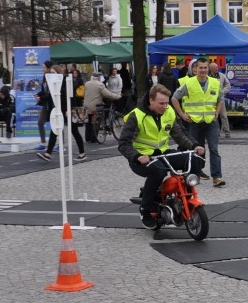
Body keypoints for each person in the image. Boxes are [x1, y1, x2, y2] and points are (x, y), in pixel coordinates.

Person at [118, 84, 205, 228]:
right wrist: (137, 156)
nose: (165, 106)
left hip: (163, 153)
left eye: (166, 103)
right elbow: (123, 144)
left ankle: (186, 198)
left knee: (194, 160)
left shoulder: (169, 111)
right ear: (151, 101)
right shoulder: (136, 116)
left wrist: (195, 146)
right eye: (161, 103)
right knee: (158, 171)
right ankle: (145, 210)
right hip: (142, 158)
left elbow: (179, 134)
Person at [172, 57, 226, 187]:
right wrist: (181, 114)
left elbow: (220, 99)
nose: (203, 70)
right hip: (194, 122)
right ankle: (195, 175)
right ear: (195, 69)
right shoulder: (189, 83)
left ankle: (217, 177)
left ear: (208, 68)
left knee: (214, 149)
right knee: (196, 149)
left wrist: (217, 113)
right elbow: (174, 98)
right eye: (200, 68)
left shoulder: (215, 82)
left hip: (210, 122)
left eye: (205, 67)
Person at [36, 65, 87, 162]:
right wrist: (41, 97)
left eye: (53, 72)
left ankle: (82, 152)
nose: (51, 74)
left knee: (74, 131)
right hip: (59, 109)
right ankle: (48, 153)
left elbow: (70, 96)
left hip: (67, 109)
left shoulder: (65, 80)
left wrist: (69, 109)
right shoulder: (53, 83)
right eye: (50, 73)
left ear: (58, 73)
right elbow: (52, 96)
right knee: (54, 130)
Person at [83, 73, 121, 142]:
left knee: (88, 122)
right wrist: (118, 96)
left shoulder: (87, 84)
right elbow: (108, 94)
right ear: (99, 78)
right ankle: (94, 138)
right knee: (96, 121)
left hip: (86, 106)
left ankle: (87, 138)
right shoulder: (100, 85)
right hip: (95, 106)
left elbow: (85, 94)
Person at [209, 61, 232, 139]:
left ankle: (227, 132)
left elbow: (228, 85)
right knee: (213, 116)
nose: (217, 68)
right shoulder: (207, 77)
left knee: (223, 115)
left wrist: (222, 92)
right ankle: (216, 132)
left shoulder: (222, 76)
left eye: (217, 67)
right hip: (210, 99)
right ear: (210, 68)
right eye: (215, 67)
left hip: (220, 99)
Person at [35, 60, 54, 146]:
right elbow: (44, 91)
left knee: (55, 124)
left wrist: (41, 97)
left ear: (49, 68)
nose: (42, 69)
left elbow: (51, 94)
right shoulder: (44, 77)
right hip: (46, 104)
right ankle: (43, 142)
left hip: (53, 104)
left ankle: (58, 143)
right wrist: (38, 94)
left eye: (44, 67)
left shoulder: (53, 77)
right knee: (40, 122)